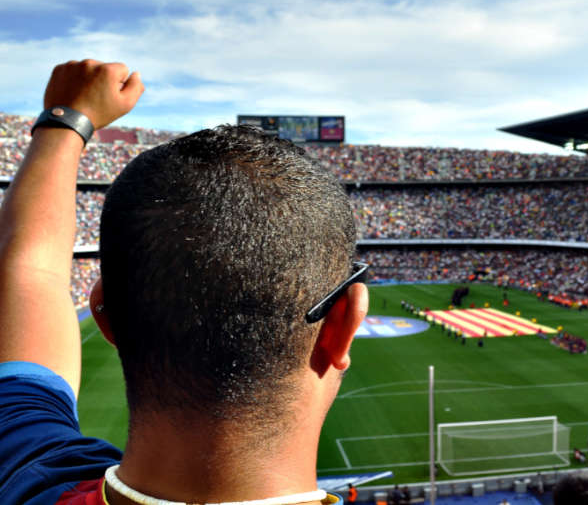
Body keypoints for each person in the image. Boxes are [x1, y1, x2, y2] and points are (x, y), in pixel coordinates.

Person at [0, 60, 369, 504]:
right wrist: (66, 120)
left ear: (105, 315)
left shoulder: (26, 469)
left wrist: (67, 117)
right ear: (343, 326)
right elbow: (29, 274)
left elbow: (30, 273)